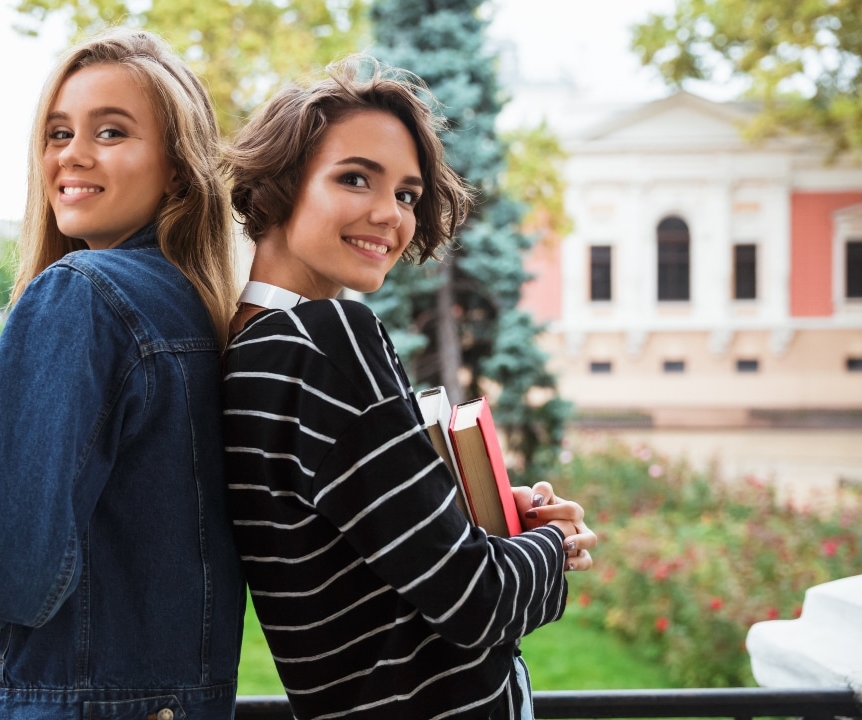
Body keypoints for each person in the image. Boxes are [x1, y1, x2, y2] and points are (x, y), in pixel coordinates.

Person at [221, 57, 598, 720]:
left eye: (407, 194)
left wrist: (485, 514)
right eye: (355, 178)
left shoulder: (249, 350)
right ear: (280, 184)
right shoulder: (327, 339)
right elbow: (474, 599)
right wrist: (554, 548)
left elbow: (362, 544)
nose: (389, 215)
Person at [0, 29, 244, 720]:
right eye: (58, 132)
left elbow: (6, 581)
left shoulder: (80, 294)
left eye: (112, 131)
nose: (72, 154)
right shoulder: (201, 310)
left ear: (180, 167)